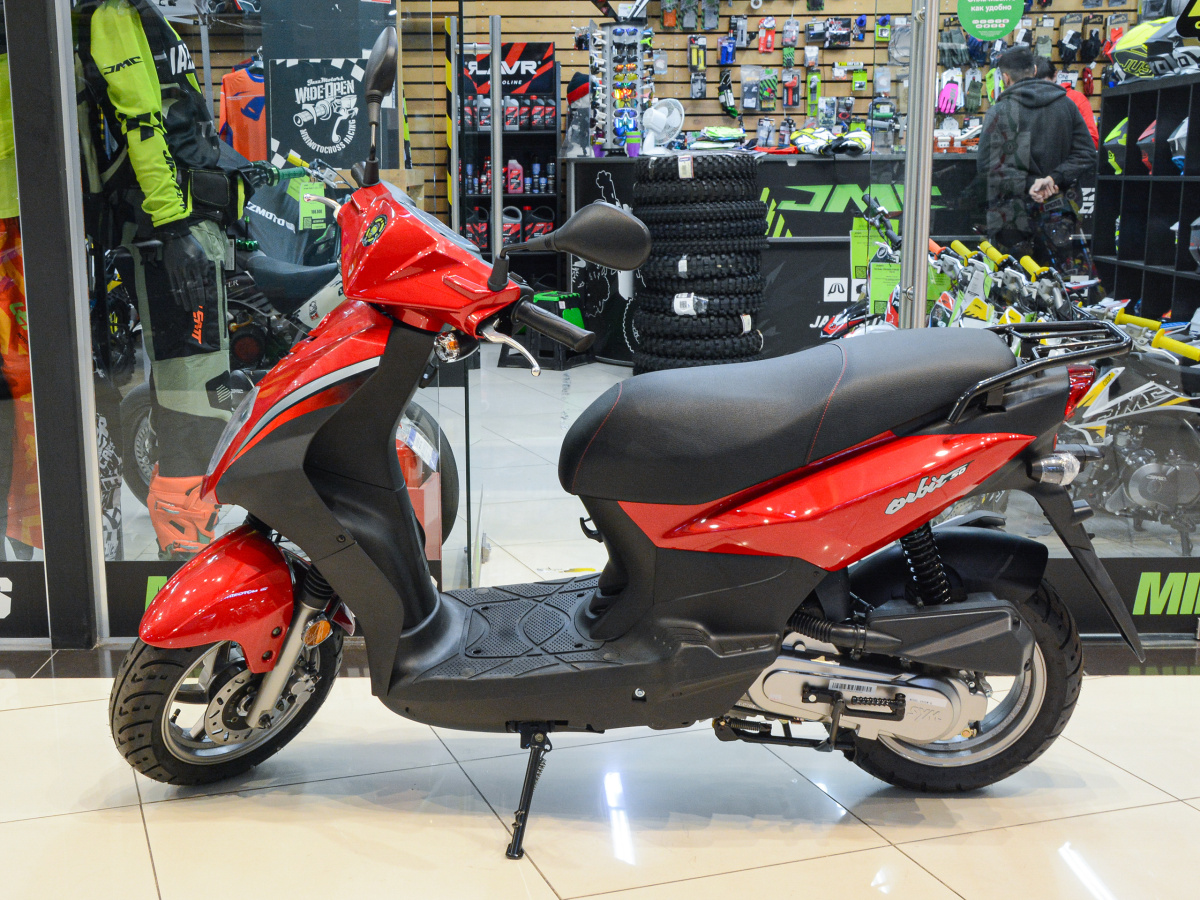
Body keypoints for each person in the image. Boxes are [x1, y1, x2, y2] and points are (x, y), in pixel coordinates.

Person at [75, 0, 245, 558]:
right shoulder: (113, 15)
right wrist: (174, 229)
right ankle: (184, 561)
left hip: (183, 228)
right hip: (170, 235)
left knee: (202, 396)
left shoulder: (136, 13)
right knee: (194, 405)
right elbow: (140, 123)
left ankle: (190, 550)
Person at [976, 47, 1097, 270]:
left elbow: (987, 165)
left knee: (1013, 284)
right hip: (1059, 213)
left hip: (1011, 217)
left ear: (1005, 77)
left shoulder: (1000, 111)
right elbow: (1087, 154)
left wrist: (1030, 183)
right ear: (1034, 70)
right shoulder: (1067, 105)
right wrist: (1053, 179)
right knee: (1057, 283)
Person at [1034, 55, 1099, 148]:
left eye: (1045, 84)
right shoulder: (1025, 101)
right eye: (1035, 86)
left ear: (1055, 75)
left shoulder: (1076, 99)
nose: (1042, 90)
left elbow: (1092, 141)